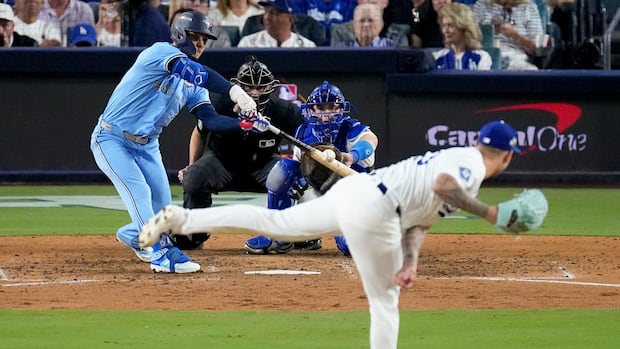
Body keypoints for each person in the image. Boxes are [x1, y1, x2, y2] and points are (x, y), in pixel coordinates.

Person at [140, 120, 537, 349]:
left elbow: (421, 218)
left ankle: (182, 220)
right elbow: (445, 187)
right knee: (385, 303)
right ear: (507, 156)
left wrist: (411, 261)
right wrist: (490, 213)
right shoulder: (470, 165)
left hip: (356, 193)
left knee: (277, 225)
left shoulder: (461, 156)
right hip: (375, 213)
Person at [89, 11, 264, 273]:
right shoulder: (159, 53)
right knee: (140, 193)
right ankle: (162, 254)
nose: (200, 44)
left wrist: (244, 124)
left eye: (204, 40)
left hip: (147, 145)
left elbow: (210, 120)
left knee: (165, 211)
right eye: (196, 37)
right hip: (112, 138)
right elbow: (196, 72)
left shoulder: (194, 86)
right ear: (180, 34)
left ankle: (135, 236)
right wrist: (233, 90)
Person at [173, 55, 303, 250]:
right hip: (220, 162)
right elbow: (199, 133)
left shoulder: (284, 111)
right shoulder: (219, 104)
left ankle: (295, 234)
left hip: (264, 165)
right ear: (238, 87)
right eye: (249, 87)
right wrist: (191, 165)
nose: (255, 93)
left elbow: (305, 140)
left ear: (270, 87)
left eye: (260, 87)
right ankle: (195, 233)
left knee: (295, 178)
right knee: (194, 177)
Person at [244, 80, 378, 255]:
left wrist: (351, 156)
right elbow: (296, 172)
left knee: (352, 247)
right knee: (283, 170)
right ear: (312, 110)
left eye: (332, 107)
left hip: (353, 200)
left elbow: (371, 141)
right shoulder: (303, 131)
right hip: (319, 193)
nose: (326, 114)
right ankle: (279, 235)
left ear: (341, 109)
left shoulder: (351, 129)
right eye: (321, 109)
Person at [473, 0, 543, 70]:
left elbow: (536, 50)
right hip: (487, 57)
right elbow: (471, 39)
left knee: (531, 70)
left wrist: (515, 35)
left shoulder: (529, 7)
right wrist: (489, 31)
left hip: (517, 59)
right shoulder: (481, 5)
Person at [433, 2, 492, 69]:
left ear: (464, 27)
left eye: (450, 25)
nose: (445, 31)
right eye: (443, 26)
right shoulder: (436, 59)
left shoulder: (481, 57)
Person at [237, 0, 316, 47]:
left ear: (291, 18)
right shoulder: (248, 43)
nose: (267, 17)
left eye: (273, 13)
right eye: (266, 12)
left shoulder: (306, 46)